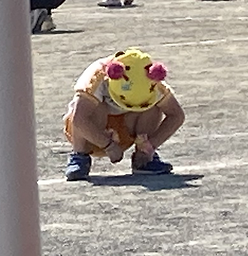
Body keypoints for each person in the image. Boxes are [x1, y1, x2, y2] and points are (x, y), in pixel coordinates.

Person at [63, 49, 184, 181]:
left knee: (153, 105)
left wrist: (151, 145)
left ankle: (144, 158)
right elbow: (79, 119)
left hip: (126, 132)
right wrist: (108, 145)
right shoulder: (96, 78)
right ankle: (79, 155)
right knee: (92, 107)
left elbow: (177, 115)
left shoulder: (152, 82)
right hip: (91, 133)